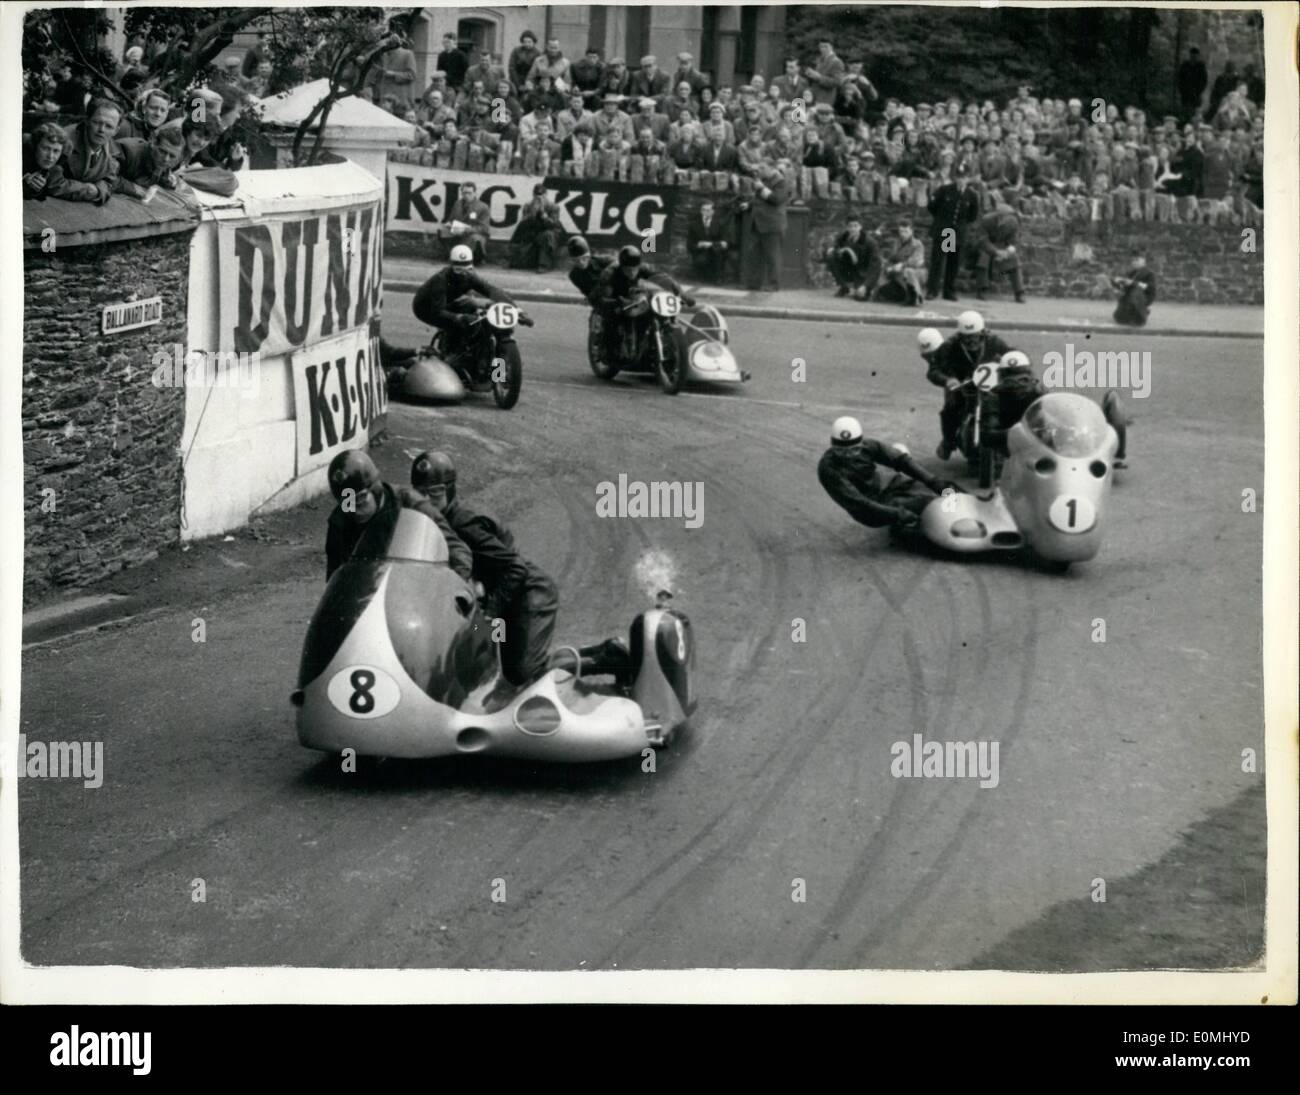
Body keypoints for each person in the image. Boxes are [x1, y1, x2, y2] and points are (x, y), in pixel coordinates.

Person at [410, 451, 558, 689]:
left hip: (527, 596)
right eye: (420, 492)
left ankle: (602, 657)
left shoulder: (463, 524)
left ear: (449, 490)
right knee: (478, 661)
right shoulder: (431, 523)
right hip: (497, 595)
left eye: (435, 493)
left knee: (520, 672)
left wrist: (491, 614)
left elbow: (515, 568)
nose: (427, 500)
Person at [324, 449, 472, 583]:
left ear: (376, 489)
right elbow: (335, 575)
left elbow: (456, 548)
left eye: (361, 499)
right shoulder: (340, 520)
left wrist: (453, 585)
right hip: (368, 590)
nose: (355, 511)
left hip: (413, 584)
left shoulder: (411, 502)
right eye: (348, 502)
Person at [818, 416, 956, 533]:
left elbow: (902, 461)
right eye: (841, 451)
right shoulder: (828, 469)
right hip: (869, 510)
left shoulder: (869, 446)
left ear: (860, 444)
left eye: (853, 450)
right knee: (924, 503)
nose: (848, 455)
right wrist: (899, 514)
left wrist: (933, 481)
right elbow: (860, 503)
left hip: (885, 488)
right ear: (832, 446)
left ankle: (971, 503)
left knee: (946, 487)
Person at [411, 245, 526, 369]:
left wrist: (516, 309)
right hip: (426, 308)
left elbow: (492, 290)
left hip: (451, 300)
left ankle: (496, 375)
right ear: (451, 266)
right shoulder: (440, 281)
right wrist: (460, 317)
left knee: (475, 312)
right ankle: (453, 357)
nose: (463, 275)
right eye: (459, 271)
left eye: (467, 270)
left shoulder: (470, 277)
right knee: (461, 323)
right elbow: (438, 311)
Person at [926, 311, 1014, 460]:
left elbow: (1013, 357)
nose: (971, 341)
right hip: (962, 386)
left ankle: (1011, 443)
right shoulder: (949, 346)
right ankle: (948, 442)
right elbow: (933, 370)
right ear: (960, 335)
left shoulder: (994, 342)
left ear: (982, 333)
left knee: (1010, 405)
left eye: (975, 336)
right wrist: (947, 380)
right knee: (950, 408)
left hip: (990, 386)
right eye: (967, 337)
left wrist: (1012, 369)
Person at [595, 246, 695, 362]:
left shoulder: (643, 268)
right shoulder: (610, 273)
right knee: (614, 317)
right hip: (615, 298)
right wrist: (616, 302)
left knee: (653, 311)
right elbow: (602, 299)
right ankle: (606, 351)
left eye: (635, 269)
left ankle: (652, 344)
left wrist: (683, 295)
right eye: (628, 270)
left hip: (634, 297)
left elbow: (664, 278)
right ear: (621, 266)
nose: (632, 272)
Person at [50, 98, 123, 204]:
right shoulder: (64, 141)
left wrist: (98, 191)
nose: (101, 130)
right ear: (87, 120)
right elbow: (53, 184)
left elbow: (109, 182)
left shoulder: (114, 151)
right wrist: (87, 190)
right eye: (97, 122)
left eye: (109, 126)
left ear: (116, 131)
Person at [926, 164, 980, 301]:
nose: (961, 180)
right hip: (945, 230)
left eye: (964, 177)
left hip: (958, 231)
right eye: (959, 177)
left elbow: (972, 216)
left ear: (968, 179)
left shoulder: (972, 195)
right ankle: (932, 290)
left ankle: (948, 291)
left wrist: (960, 226)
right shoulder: (945, 190)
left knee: (954, 262)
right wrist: (943, 221)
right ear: (955, 178)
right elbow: (932, 207)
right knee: (938, 262)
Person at [740, 163, 790, 292]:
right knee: (755, 254)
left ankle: (774, 285)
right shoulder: (764, 180)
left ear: (771, 168)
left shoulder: (781, 182)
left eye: (762, 168)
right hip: (758, 223)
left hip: (772, 224)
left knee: (773, 256)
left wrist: (762, 188)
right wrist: (749, 204)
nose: (758, 171)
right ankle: (754, 283)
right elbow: (759, 199)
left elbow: (777, 199)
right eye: (758, 168)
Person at [114, 125, 187, 199]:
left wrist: (169, 183)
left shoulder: (164, 162)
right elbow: (105, 176)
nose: (166, 159)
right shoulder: (127, 151)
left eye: (172, 156)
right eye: (162, 151)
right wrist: (133, 188)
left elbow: (160, 179)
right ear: (153, 143)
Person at [972, 201, 1025, 302]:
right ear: (998, 215)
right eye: (1005, 215)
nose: (1008, 217)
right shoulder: (986, 220)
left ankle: (1019, 292)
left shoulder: (1013, 222)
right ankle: (982, 289)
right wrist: (996, 252)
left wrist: (1010, 249)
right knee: (983, 258)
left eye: (1010, 215)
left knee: (1014, 259)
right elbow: (982, 240)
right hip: (986, 247)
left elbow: (1014, 240)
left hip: (1003, 248)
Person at [510, 182, 565, 272]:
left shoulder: (553, 206)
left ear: (546, 194)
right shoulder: (528, 206)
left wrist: (545, 216)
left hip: (549, 235)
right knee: (518, 263)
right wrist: (532, 214)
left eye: (541, 195)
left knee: (548, 235)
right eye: (536, 195)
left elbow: (554, 224)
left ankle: (544, 265)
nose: (539, 197)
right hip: (534, 234)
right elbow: (523, 224)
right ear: (533, 194)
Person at [826, 215, 881, 300]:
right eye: (850, 226)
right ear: (847, 228)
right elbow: (835, 244)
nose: (853, 229)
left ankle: (865, 289)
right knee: (831, 256)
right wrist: (846, 249)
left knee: (860, 297)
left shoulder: (870, 243)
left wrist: (865, 286)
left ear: (860, 227)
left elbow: (875, 267)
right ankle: (844, 286)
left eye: (855, 226)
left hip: (863, 273)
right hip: (849, 269)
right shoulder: (844, 236)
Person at [879, 221, 927, 305]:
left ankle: (916, 297)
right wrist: (888, 266)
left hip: (916, 272)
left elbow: (916, 261)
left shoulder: (917, 244)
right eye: (901, 231)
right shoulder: (897, 243)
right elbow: (892, 258)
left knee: (908, 271)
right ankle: (904, 294)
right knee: (882, 290)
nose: (903, 234)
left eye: (906, 231)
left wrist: (902, 265)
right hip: (899, 274)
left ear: (911, 232)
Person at [687, 199, 734, 283]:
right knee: (702, 261)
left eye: (708, 210)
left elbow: (726, 242)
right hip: (701, 252)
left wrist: (711, 244)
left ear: (713, 211)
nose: (706, 212)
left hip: (716, 252)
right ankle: (704, 276)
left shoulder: (720, 223)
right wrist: (699, 245)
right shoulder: (694, 225)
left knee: (718, 251)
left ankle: (718, 277)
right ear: (701, 211)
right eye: (703, 210)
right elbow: (689, 244)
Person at [444, 181, 491, 263]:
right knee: (442, 232)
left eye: (470, 193)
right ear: (461, 193)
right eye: (464, 193)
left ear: (475, 193)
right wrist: (449, 223)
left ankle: (473, 259)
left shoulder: (483, 207)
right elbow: (451, 219)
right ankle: (451, 255)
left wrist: (466, 230)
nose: (466, 195)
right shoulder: (457, 204)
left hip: (475, 234)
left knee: (473, 238)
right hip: (457, 232)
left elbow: (484, 228)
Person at [22, 123, 70, 200]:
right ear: (35, 145)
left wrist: (38, 189)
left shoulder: (58, 166)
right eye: (45, 148)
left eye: (56, 151)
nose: (50, 156)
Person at [1112, 250, 1156, 327]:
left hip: (1144, 296)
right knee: (1119, 318)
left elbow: (1150, 287)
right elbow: (1127, 285)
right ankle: (1133, 312)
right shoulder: (1132, 273)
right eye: (1132, 260)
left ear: (1143, 261)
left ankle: (1141, 314)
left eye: (1137, 260)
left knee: (1136, 291)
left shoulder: (1149, 273)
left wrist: (1133, 283)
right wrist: (1119, 282)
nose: (1134, 262)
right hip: (1130, 296)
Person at [566, 235, 612, 301]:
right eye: (576, 260)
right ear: (572, 260)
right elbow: (589, 295)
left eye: (584, 258)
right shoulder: (574, 275)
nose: (581, 262)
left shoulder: (605, 261)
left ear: (589, 256)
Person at [1176, 47, 1208, 120]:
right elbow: (1180, 78)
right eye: (1192, 55)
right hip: (1185, 92)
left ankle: (1194, 125)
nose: (1194, 57)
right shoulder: (1185, 65)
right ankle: (1183, 124)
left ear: (1198, 56)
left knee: (1195, 111)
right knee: (1184, 110)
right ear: (1190, 55)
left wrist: (1199, 91)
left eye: (1195, 56)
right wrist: (1182, 90)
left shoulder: (1201, 66)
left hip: (1196, 93)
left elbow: (1204, 80)